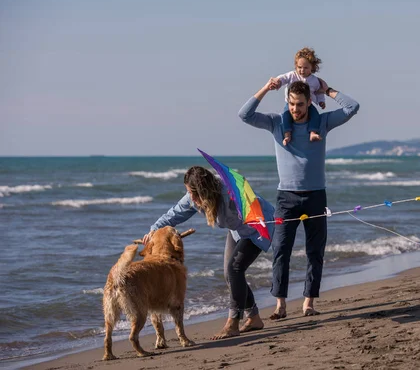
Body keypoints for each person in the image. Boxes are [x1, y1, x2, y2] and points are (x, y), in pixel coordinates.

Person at [239, 78, 360, 318]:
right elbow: (244, 114)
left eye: (301, 105)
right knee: (281, 250)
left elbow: (352, 107)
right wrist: (265, 88)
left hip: (316, 195)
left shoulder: (322, 123)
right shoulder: (276, 123)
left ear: (308, 103)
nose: (296, 109)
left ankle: (309, 303)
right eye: (292, 104)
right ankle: (280, 305)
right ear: (288, 103)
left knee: (315, 252)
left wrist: (327, 90)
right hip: (286, 198)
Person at [142, 166, 275, 339]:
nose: (190, 196)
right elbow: (174, 214)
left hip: (258, 227)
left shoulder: (230, 195)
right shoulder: (193, 199)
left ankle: (233, 323)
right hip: (237, 231)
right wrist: (153, 230)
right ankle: (254, 318)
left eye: (191, 192)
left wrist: (247, 211)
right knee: (229, 273)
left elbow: (253, 202)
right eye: (188, 192)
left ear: (203, 191)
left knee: (235, 269)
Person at [273, 47, 326, 146]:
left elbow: (319, 92)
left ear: (312, 68)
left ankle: (313, 132)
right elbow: (283, 78)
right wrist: (278, 81)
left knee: (315, 116)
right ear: (295, 66)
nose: (302, 70)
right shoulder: (292, 75)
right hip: (291, 104)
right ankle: (287, 134)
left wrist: (321, 101)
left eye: (306, 68)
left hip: (307, 104)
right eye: (299, 67)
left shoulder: (314, 80)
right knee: (285, 116)